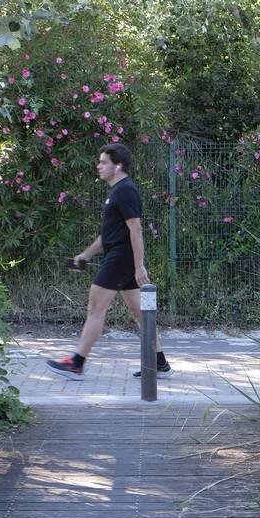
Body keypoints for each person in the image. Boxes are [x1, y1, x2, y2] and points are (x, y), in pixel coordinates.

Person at [46, 143, 172, 380]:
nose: (99, 166)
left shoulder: (125, 190)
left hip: (120, 259)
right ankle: (159, 363)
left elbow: (135, 229)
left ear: (118, 166)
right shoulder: (117, 191)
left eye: (104, 162)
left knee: (95, 309)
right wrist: (86, 255)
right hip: (120, 257)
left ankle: (76, 363)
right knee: (139, 312)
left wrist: (139, 265)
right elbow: (109, 234)